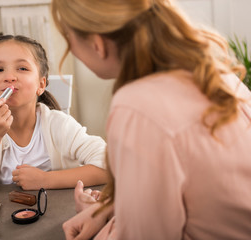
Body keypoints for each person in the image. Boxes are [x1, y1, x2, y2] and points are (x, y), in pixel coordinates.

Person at [51, 0, 251, 239]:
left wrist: (109, 228)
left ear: (97, 43)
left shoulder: (137, 107)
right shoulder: (215, 74)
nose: (70, 49)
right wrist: (110, 209)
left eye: (68, 36)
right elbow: (196, 185)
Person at [0, 35, 107, 200]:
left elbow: (109, 166)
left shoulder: (58, 124)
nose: (10, 77)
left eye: (22, 68)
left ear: (41, 84)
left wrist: (46, 179)